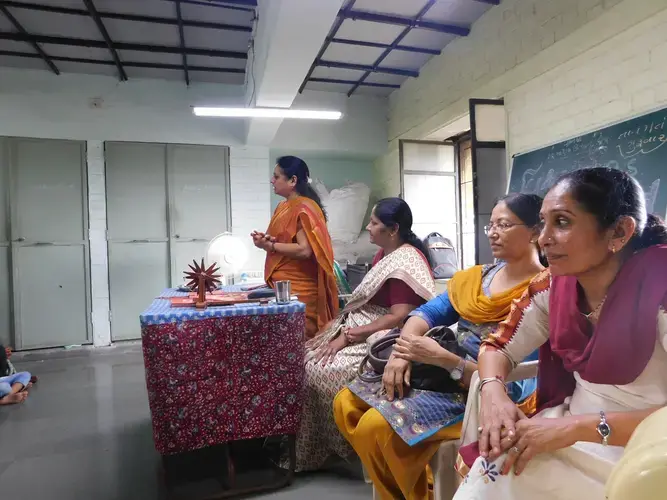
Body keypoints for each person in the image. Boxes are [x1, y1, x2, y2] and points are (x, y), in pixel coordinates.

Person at [455, 167, 667, 500]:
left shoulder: (661, 288)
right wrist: (493, 392)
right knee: (492, 477)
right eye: (543, 223)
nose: (543, 239)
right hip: (563, 431)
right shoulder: (554, 286)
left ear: (619, 233)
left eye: (563, 222)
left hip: (647, 452)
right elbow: (497, 347)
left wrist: (576, 427)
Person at [334, 193, 545, 500]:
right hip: (438, 375)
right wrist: (402, 352)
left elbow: (519, 385)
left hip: (479, 392)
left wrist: (448, 361)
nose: (495, 233)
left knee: (374, 426)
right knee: (345, 403)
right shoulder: (478, 278)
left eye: (506, 224)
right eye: (492, 225)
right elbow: (425, 313)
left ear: (536, 232)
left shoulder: (544, 294)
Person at [292, 198, 437, 471]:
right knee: (304, 358)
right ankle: (310, 447)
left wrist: (349, 336)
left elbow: (398, 315)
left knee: (319, 370)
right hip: (360, 322)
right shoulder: (383, 255)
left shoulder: (406, 260)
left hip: (385, 333)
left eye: (374, 223)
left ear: (393, 229)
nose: (368, 228)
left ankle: (338, 447)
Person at [252, 156, 339, 338]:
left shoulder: (304, 208)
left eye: (276, 177)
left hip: (301, 291)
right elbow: (285, 240)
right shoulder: (283, 207)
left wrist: (271, 245)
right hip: (283, 288)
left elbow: (304, 250)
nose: (271, 181)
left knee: (298, 345)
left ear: (293, 180)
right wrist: (266, 241)